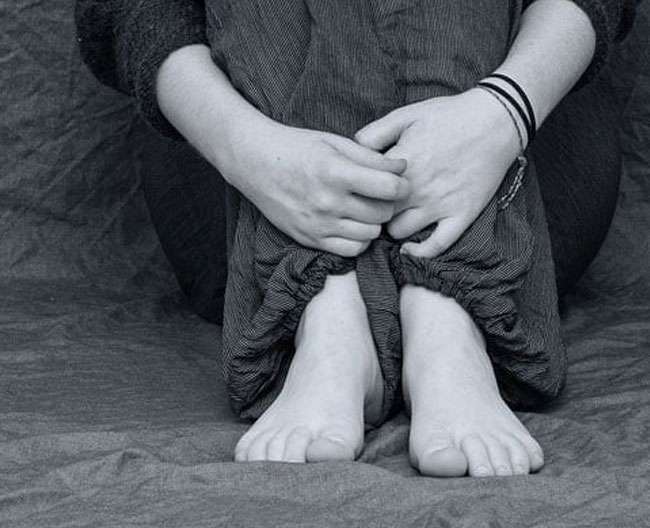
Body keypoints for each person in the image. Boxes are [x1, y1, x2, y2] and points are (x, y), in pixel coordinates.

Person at [76, 0, 637, 477]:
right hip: (236, 175)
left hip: (521, 157)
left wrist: (503, 110)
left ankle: (448, 316)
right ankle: (327, 309)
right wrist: (250, 151)